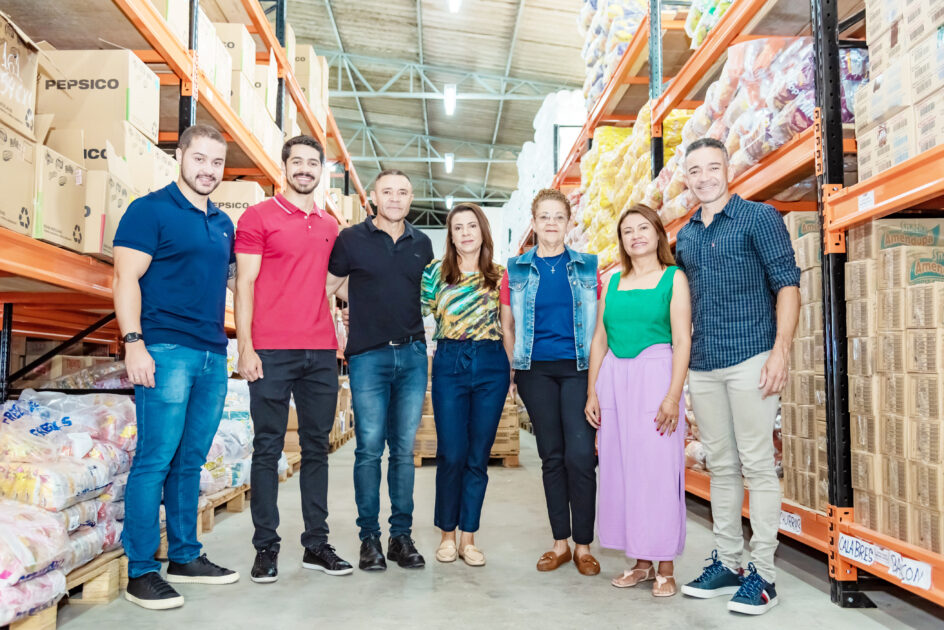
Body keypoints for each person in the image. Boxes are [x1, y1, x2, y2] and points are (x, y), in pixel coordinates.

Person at [114, 124, 239, 610]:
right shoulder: (149, 211)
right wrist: (133, 343)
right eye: (200, 159)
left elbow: (238, 284)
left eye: (217, 163)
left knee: (190, 460)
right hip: (165, 349)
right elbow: (125, 279)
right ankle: (141, 570)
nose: (208, 170)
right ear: (180, 156)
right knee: (155, 459)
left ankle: (185, 554)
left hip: (211, 351)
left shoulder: (222, 223)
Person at [675, 138, 800, 615]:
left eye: (712, 167)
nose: (704, 177)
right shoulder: (685, 235)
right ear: (686, 178)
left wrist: (780, 351)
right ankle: (728, 561)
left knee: (757, 465)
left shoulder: (759, 218)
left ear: (728, 169)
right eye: (695, 170)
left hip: (751, 356)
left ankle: (764, 574)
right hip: (704, 364)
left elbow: (787, 284)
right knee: (721, 466)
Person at [234, 136, 353, 584]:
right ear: (283, 167)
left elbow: (336, 285)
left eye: (312, 163)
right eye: (296, 162)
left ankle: (316, 544)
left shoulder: (329, 223)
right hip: (270, 349)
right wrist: (246, 346)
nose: (304, 169)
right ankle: (266, 547)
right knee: (267, 448)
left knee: (317, 449)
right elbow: (244, 284)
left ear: (322, 170)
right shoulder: (258, 216)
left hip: (321, 349)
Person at [327, 169, 434, 572]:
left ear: (411, 198)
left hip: (411, 356)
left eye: (403, 192)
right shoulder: (351, 239)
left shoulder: (422, 243)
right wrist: (359, 302)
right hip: (368, 357)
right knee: (369, 448)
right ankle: (368, 537)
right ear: (373, 196)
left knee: (403, 451)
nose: (395, 198)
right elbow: (329, 283)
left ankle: (400, 537)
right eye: (387, 191)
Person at [585, 204, 691, 597]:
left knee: (658, 472)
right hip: (615, 380)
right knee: (623, 470)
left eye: (643, 228)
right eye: (628, 231)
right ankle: (641, 563)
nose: (635, 236)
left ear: (658, 234)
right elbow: (600, 339)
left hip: (656, 376)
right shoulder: (612, 281)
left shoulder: (673, 278)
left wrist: (673, 395)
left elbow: (682, 340)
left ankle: (665, 565)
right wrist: (592, 389)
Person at [500, 188, 602, 576]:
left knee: (580, 455)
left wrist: (595, 382)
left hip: (577, 368)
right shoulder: (517, 269)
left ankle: (584, 545)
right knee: (551, 456)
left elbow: (597, 330)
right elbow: (508, 326)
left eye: (558, 216)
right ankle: (560, 542)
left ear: (569, 221)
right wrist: (514, 370)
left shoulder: (588, 267)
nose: (551, 224)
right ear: (534, 221)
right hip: (535, 371)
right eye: (544, 216)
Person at [421, 203, 510, 567]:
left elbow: (510, 324)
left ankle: (468, 538)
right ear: (451, 235)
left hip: (491, 363)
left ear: (482, 230)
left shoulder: (500, 275)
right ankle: (446, 535)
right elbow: (412, 313)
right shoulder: (433, 274)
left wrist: (514, 369)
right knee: (451, 453)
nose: (466, 233)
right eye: (458, 228)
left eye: (472, 225)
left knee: (478, 456)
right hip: (449, 362)